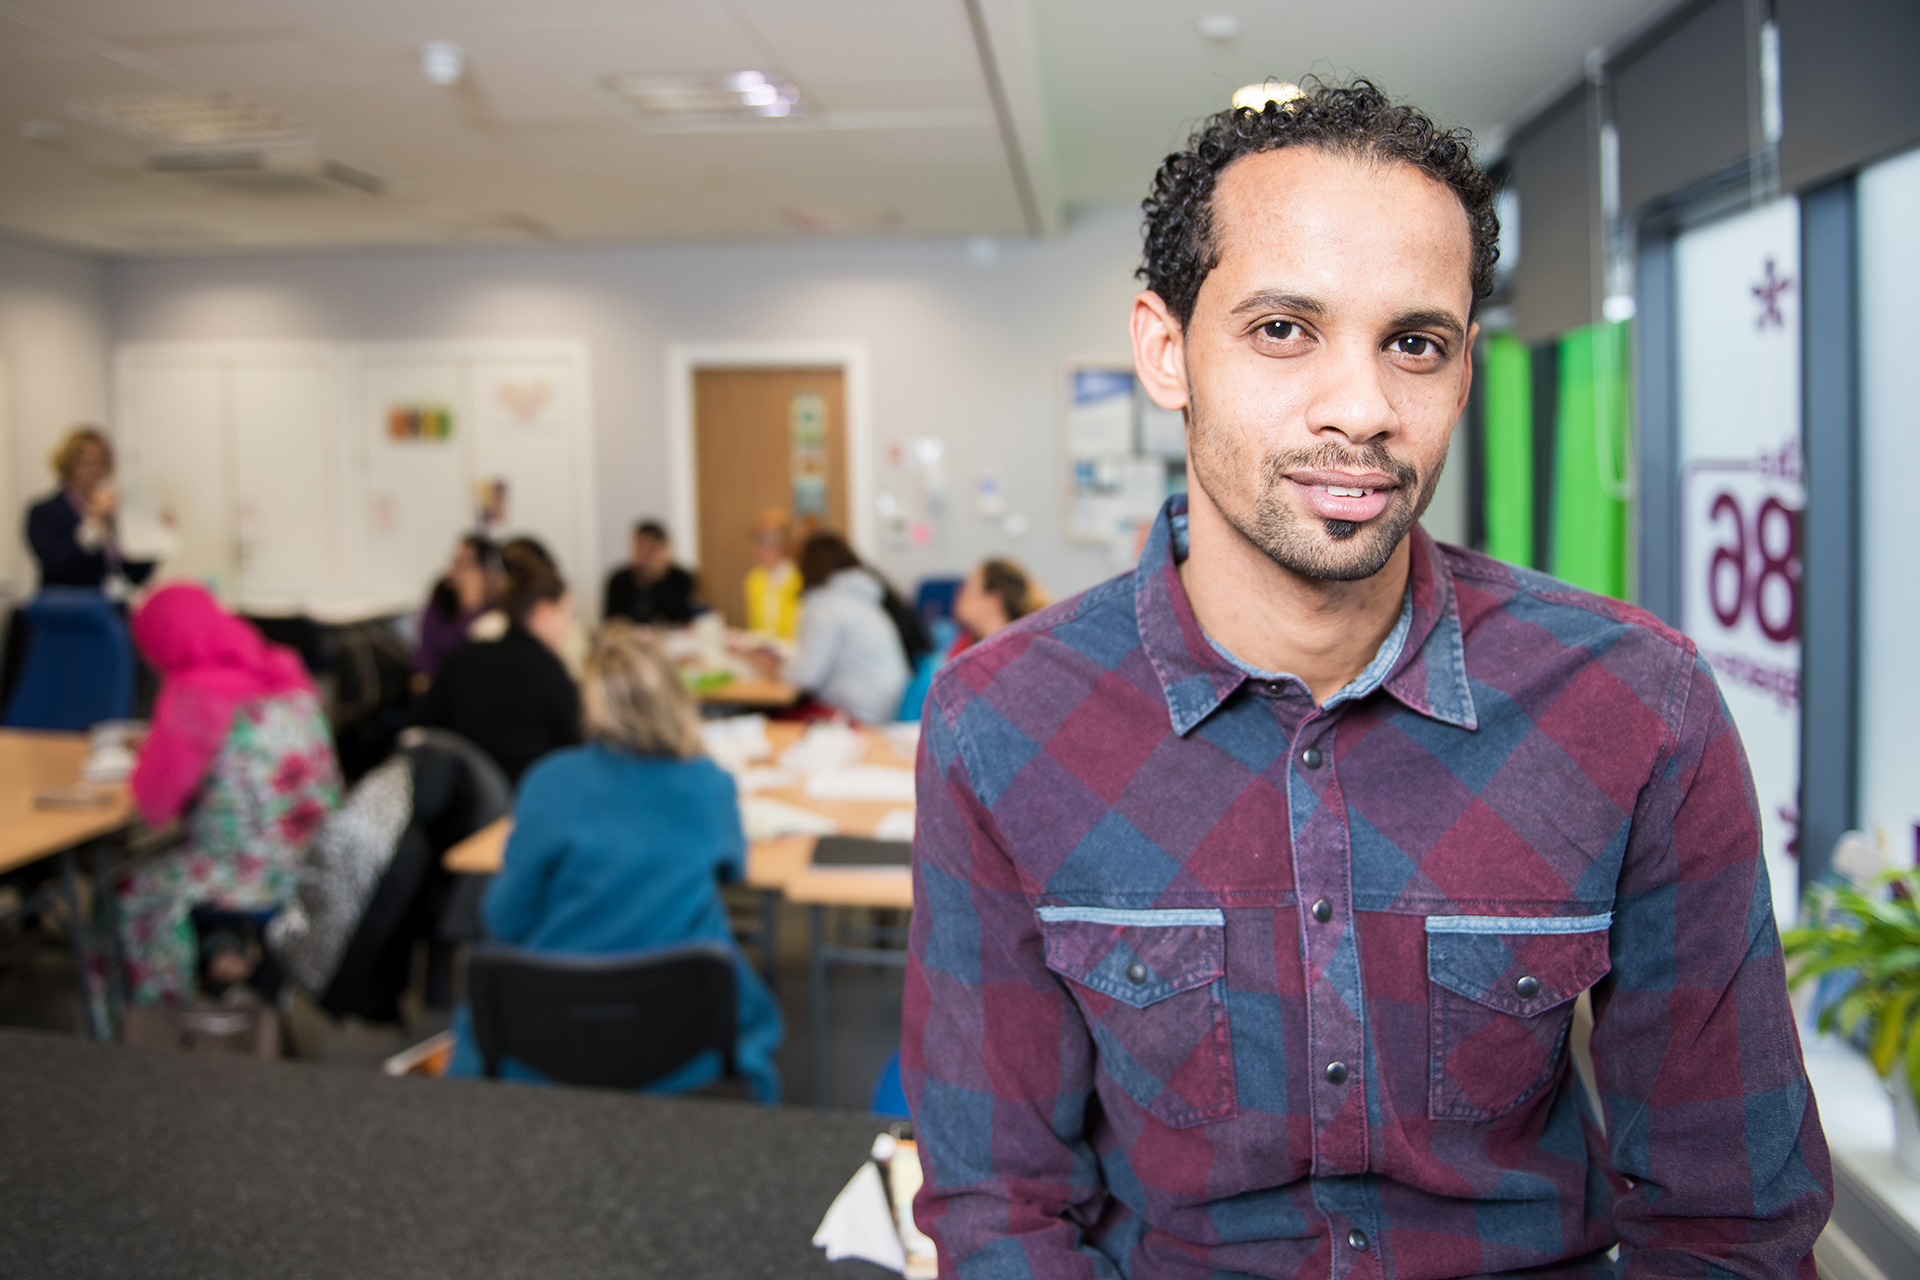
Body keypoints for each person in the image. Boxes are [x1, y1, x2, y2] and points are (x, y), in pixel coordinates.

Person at [905, 80, 1831, 1277]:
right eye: (1284, 328)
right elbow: (1002, 1203)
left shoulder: (1638, 705)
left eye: (1415, 343)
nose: (1362, 408)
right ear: (1165, 348)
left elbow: (1729, 1217)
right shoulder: (1002, 721)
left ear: (1462, 369)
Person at [444, 623, 782, 1101]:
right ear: (675, 699)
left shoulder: (550, 781)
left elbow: (502, 916)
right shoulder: (709, 784)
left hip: (547, 1035)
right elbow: (734, 869)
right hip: (683, 1035)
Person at [118, 583, 341, 1008]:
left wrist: (153, 752)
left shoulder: (193, 695)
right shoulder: (285, 671)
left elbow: (154, 805)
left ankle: (157, 1016)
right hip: (316, 860)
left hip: (251, 874)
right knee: (193, 851)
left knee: (130, 889)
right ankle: (225, 961)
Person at [412, 555, 581, 785]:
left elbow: (423, 723)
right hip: (526, 797)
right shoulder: (548, 669)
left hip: (464, 793)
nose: (568, 627)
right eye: (566, 614)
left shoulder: (465, 656)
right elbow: (576, 744)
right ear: (543, 613)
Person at [763, 532, 916, 724]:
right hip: (884, 708)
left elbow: (806, 678)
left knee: (768, 719)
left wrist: (774, 669)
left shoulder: (823, 604)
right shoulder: (859, 597)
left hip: (859, 715)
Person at [25, 427, 156, 592]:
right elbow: (59, 565)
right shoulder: (44, 511)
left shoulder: (116, 514)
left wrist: (155, 533)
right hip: (68, 604)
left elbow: (136, 575)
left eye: (100, 463)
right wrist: (95, 520)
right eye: (85, 463)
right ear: (68, 465)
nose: (93, 470)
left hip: (111, 601)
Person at [413, 534, 502, 684]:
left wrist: (472, 609)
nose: (454, 570)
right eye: (454, 562)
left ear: (485, 571)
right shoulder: (441, 599)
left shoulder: (498, 609)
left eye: (464, 564)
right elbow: (424, 660)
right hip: (439, 688)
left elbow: (479, 659)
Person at [947, 557, 1048, 659]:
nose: (960, 594)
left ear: (994, 600)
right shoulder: (965, 642)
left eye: (968, 588)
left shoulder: (1018, 653)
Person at [603, 520, 699, 626]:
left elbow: (680, 617)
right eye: (639, 546)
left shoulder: (680, 578)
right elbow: (611, 620)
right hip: (629, 638)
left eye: (650, 549)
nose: (642, 553)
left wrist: (657, 575)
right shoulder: (619, 579)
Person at [743, 509, 802, 639]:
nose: (764, 549)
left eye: (772, 542)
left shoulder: (800, 579)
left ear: (786, 543)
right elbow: (756, 629)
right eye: (759, 542)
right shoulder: (754, 580)